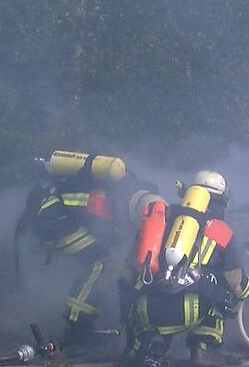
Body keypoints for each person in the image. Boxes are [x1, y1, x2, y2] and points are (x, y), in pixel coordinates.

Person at [15, 151, 161, 354]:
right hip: (52, 226)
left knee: (113, 261)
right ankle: (77, 327)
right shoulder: (104, 199)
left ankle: (97, 319)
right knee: (103, 263)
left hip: (63, 221)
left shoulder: (115, 196)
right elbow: (98, 222)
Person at [120, 170, 249, 367]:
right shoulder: (221, 231)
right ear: (221, 202)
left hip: (147, 310)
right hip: (191, 311)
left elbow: (128, 270)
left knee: (145, 306)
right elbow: (236, 284)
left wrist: (127, 306)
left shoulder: (160, 219)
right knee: (221, 290)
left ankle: (151, 343)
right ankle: (203, 348)